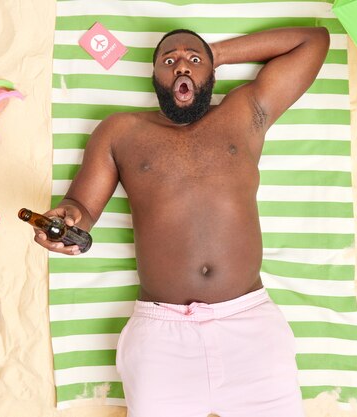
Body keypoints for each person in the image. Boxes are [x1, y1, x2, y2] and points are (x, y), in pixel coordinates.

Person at [34, 27, 329, 417]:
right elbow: (81, 207)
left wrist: (214, 52)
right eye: (168, 61)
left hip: (250, 330)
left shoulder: (246, 111)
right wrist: (68, 218)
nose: (180, 67)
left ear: (212, 73)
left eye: (193, 60)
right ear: (154, 76)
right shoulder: (119, 131)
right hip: (161, 340)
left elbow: (314, 41)